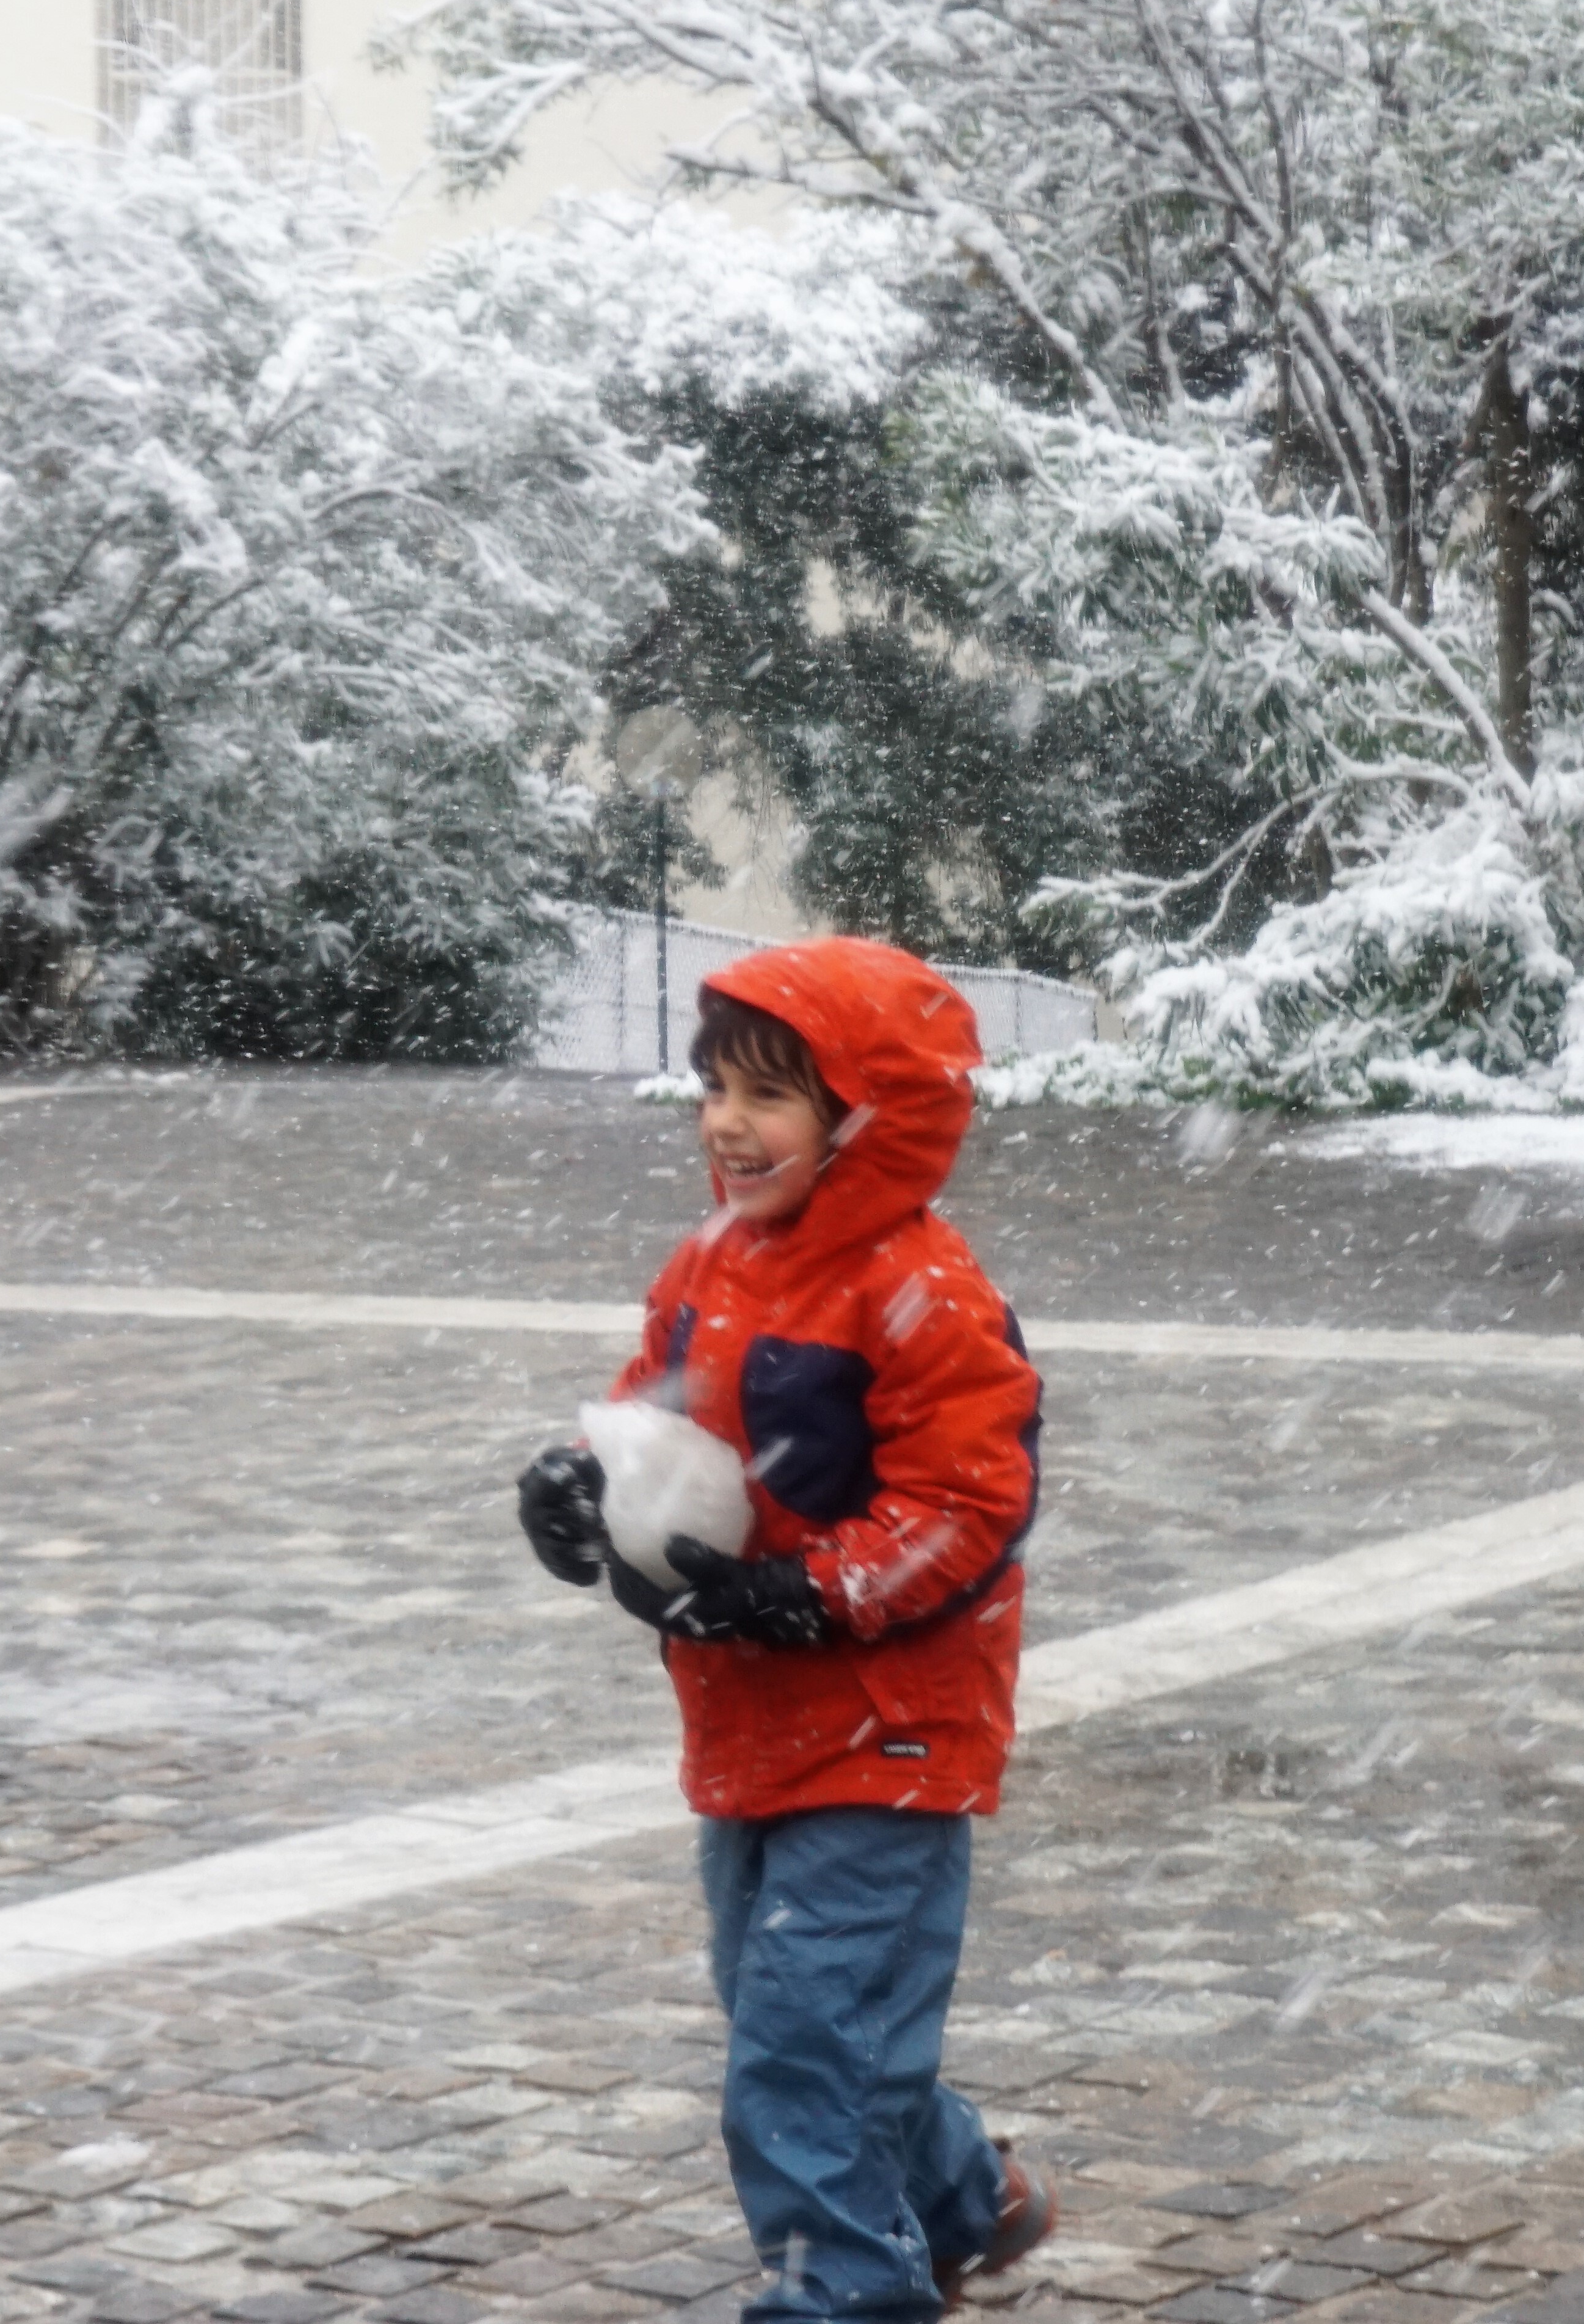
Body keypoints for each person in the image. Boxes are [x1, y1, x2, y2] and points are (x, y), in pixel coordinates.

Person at [516, 939, 1056, 2322]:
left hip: (892, 1728)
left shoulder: (921, 1292)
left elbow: (966, 1500)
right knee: (806, 2023)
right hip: (747, 1717)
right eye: (715, 1088)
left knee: (800, 2050)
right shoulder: (712, 1259)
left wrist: (812, 1594)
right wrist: (590, 1482)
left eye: (770, 1095)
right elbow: (660, 1407)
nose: (728, 1123)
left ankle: (846, 2298)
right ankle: (959, 2195)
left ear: (864, 1118)